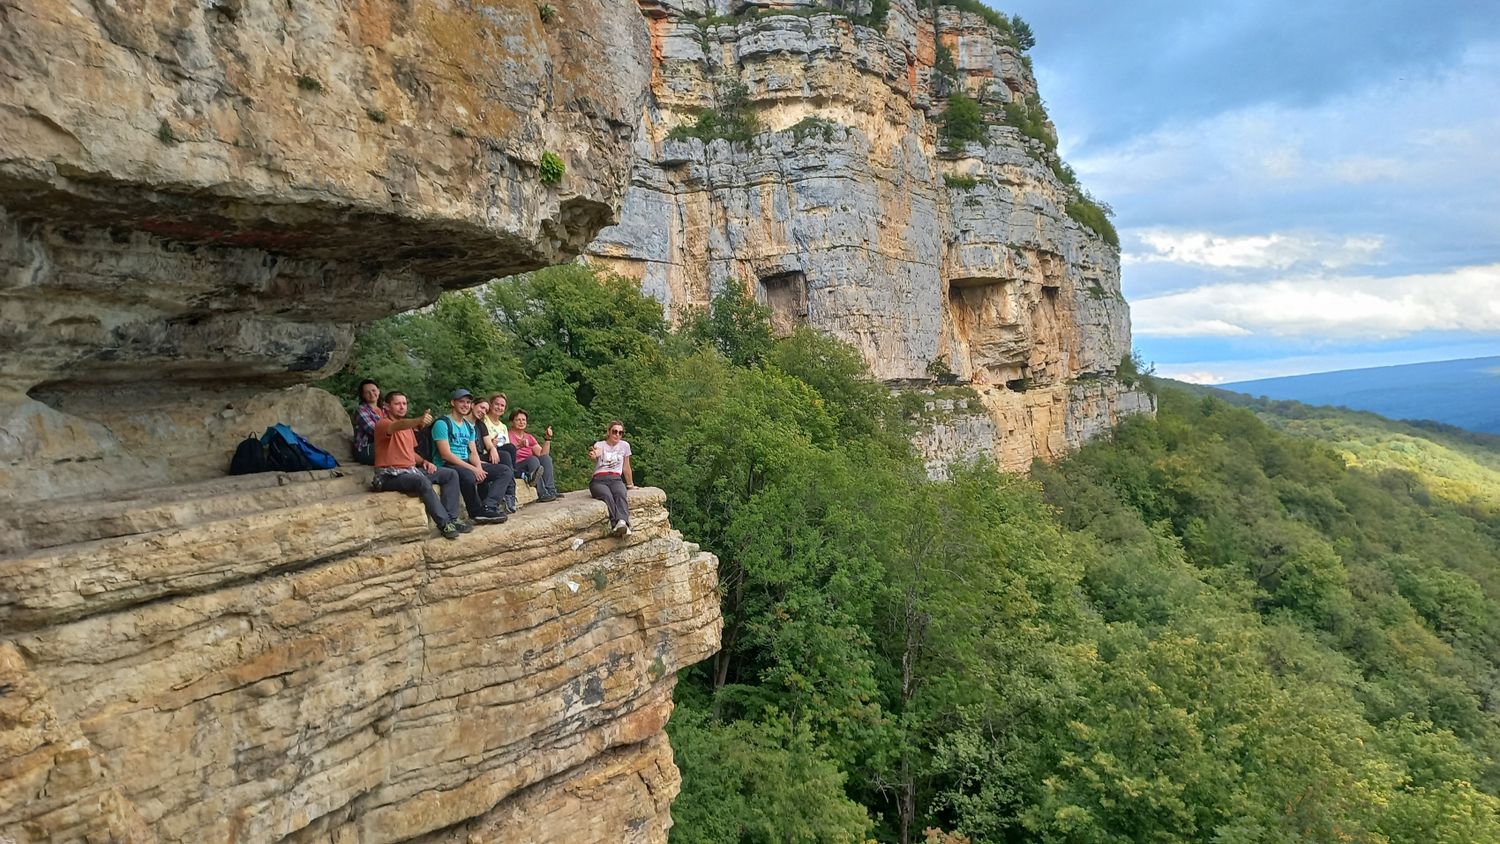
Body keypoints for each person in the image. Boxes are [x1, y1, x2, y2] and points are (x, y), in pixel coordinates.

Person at [371, 392, 468, 540]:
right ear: (387, 407)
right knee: (420, 480)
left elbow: (409, 452)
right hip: (388, 476)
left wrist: (424, 462)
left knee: (450, 474)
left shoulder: (407, 428)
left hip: (410, 470)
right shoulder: (383, 424)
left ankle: (453, 518)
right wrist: (419, 420)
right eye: (397, 403)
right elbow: (397, 425)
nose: (402, 406)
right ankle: (445, 524)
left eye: (404, 403)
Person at [431, 388, 511, 524]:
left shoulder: (468, 427)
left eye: (468, 402)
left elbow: (473, 452)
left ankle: (488, 507)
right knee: (468, 475)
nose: (465, 405)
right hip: (447, 464)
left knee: (504, 471)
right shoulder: (442, 423)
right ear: (453, 403)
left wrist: (479, 467)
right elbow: (445, 454)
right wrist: (473, 469)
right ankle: (475, 511)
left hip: (466, 462)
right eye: (461, 402)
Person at [588, 419, 633, 537]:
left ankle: (622, 522)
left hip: (615, 478)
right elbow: (597, 452)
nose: (617, 435)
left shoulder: (625, 446)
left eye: (620, 432)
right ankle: (616, 523)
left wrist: (630, 484)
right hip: (599, 479)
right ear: (609, 432)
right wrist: (594, 455)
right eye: (614, 431)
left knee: (620, 493)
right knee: (606, 495)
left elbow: (626, 467)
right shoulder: (600, 444)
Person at [478, 393, 520, 513]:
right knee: (506, 454)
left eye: (502, 406)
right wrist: (492, 445)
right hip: (486, 454)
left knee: (510, 449)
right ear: (491, 405)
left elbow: (506, 445)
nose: (499, 407)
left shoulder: (503, 427)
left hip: (499, 455)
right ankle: (510, 493)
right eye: (496, 404)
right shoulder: (483, 419)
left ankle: (510, 491)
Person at [509, 408, 559, 503]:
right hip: (516, 465)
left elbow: (542, 454)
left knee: (546, 458)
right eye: (518, 420)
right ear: (512, 421)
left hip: (531, 465)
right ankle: (542, 493)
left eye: (523, 420)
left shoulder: (529, 437)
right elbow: (507, 452)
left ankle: (550, 490)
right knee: (532, 459)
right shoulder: (508, 435)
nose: (521, 422)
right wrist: (520, 446)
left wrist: (547, 438)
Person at [351, 379, 382, 465]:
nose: (372, 394)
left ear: (378, 391)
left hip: (382, 444)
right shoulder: (361, 410)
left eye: (373, 390)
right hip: (365, 449)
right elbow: (374, 431)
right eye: (367, 392)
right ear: (363, 395)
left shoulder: (386, 409)